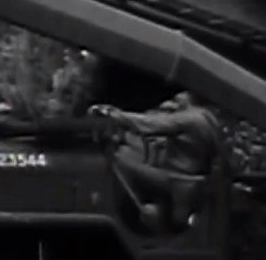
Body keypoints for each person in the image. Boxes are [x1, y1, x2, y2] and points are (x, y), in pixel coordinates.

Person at [89, 91, 221, 227]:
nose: (175, 103)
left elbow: (150, 124)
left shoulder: (192, 119)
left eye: (177, 100)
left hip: (177, 178)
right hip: (189, 177)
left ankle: (132, 215)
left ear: (189, 99)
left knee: (119, 160)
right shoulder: (208, 118)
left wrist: (114, 114)